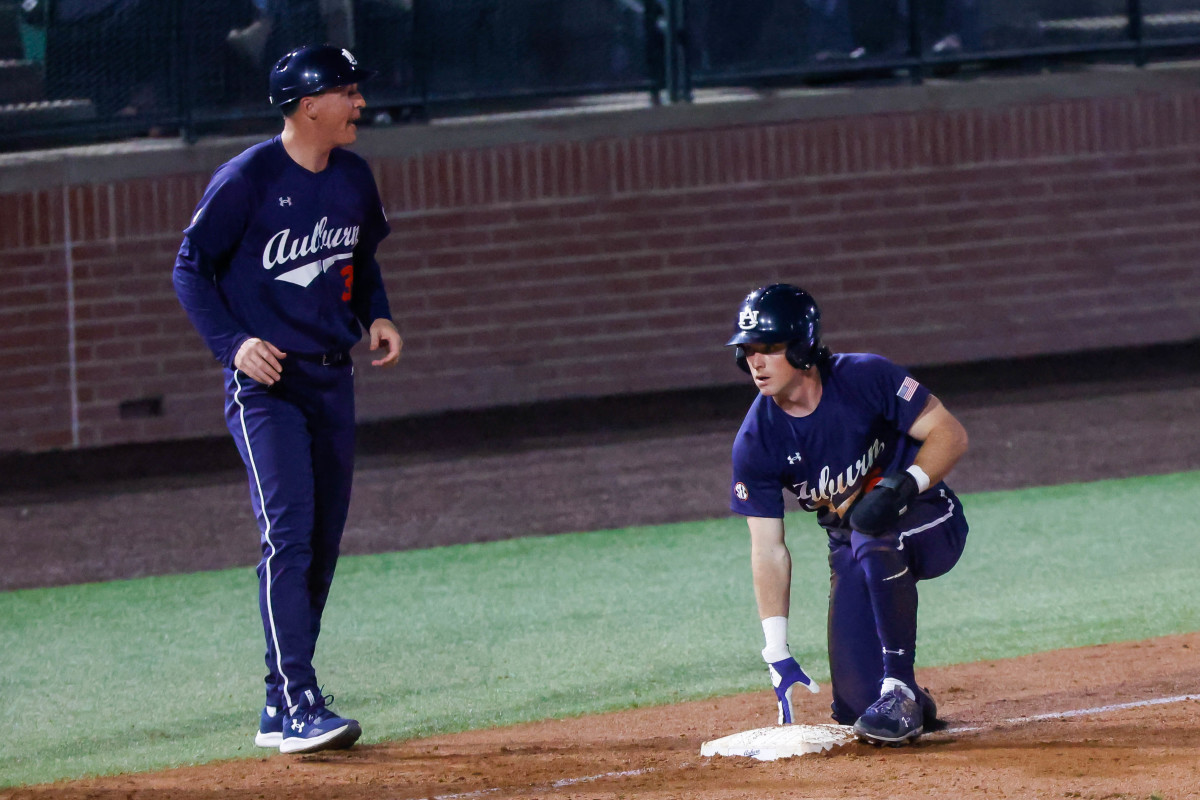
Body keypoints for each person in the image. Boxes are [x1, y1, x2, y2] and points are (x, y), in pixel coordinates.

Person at [172, 44, 402, 755]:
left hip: (333, 377)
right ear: (309, 104)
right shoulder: (247, 178)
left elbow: (359, 261)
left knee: (322, 543)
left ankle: (281, 701)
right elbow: (190, 268)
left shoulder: (353, 177)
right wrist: (232, 343)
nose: (360, 103)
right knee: (290, 533)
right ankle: (300, 700)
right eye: (347, 92)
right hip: (266, 386)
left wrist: (380, 312)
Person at [726, 284, 969, 746]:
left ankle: (898, 688)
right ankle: (911, 699)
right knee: (857, 707)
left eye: (769, 348)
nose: (755, 361)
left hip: (928, 518)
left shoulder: (865, 376)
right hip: (854, 551)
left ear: (801, 347)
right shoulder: (757, 439)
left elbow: (949, 433)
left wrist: (906, 483)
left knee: (873, 529)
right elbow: (768, 548)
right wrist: (775, 649)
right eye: (748, 350)